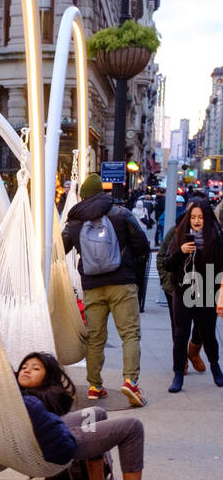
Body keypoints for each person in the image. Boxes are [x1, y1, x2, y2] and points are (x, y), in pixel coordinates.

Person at [16, 352, 175, 480]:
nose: (27, 370)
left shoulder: (30, 400)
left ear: (48, 378)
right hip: (54, 444)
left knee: (94, 413)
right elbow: (58, 440)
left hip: (46, 431)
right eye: (23, 367)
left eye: (35, 368)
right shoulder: (27, 401)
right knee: (132, 427)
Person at [62, 172, 150, 406]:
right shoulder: (121, 213)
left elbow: (60, 248)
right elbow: (142, 244)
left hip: (92, 286)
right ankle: (130, 382)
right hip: (122, 283)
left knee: (95, 338)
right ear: (102, 192)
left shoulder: (74, 221)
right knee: (129, 334)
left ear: (83, 196)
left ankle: (94, 386)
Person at [161, 200, 223, 392]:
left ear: (207, 219)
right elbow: (167, 264)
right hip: (183, 290)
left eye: (201, 217)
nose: (197, 221)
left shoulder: (217, 237)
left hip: (206, 291)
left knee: (208, 334)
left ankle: (215, 366)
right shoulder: (180, 234)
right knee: (181, 334)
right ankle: (178, 373)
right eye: (194, 217)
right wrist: (181, 252)